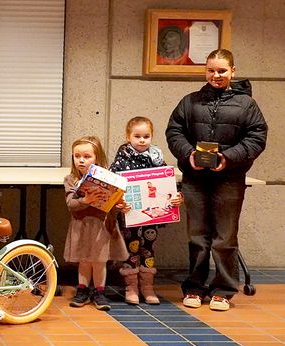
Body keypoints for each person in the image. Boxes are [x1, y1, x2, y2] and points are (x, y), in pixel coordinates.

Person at [165, 49, 268, 312]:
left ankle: (223, 290)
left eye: (222, 70)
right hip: (195, 179)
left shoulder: (247, 105)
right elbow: (174, 131)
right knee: (197, 235)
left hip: (230, 179)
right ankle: (194, 287)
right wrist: (188, 155)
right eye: (211, 70)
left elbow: (257, 138)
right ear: (205, 71)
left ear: (233, 71)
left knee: (225, 237)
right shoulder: (190, 102)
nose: (216, 75)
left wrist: (228, 157)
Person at [109, 116, 183, 305]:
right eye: (137, 136)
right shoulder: (121, 159)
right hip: (130, 215)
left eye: (146, 136)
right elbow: (112, 185)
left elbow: (168, 184)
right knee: (131, 248)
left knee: (148, 249)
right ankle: (131, 287)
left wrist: (176, 197)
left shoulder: (157, 158)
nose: (142, 140)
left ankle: (148, 287)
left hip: (152, 216)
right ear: (128, 137)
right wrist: (119, 201)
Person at [64, 136, 130, 311]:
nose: (81, 160)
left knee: (99, 261)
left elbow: (113, 205)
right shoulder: (71, 179)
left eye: (87, 156)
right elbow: (71, 204)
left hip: (102, 226)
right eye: (77, 156)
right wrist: (85, 200)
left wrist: (120, 206)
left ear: (97, 158)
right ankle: (82, 289)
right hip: (82, 226)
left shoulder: (109, 179)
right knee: (84, 260)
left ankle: (99, 291)